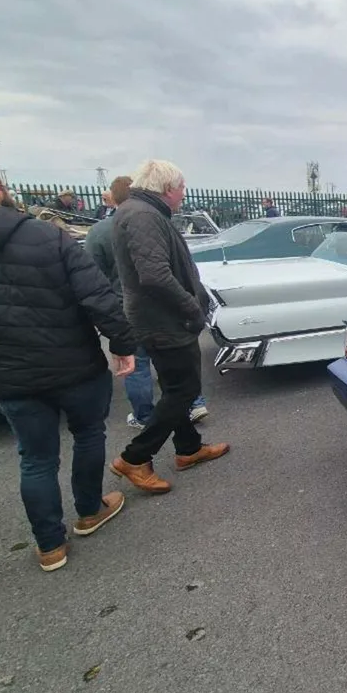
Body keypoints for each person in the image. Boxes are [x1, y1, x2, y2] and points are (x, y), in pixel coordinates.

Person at [0, 154, 136, 572]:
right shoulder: (47, 237)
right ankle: (89, 510)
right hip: (75, 365)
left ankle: (50, 545)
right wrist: (123, 343)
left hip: (9, 374)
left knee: (35, 457)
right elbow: (96, 296)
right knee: (88, 434)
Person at [109, 159, 228, 494]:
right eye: (182, 187)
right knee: (184, 390)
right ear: (167, 188)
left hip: (158, 318)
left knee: (177, 385)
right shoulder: (144, 216)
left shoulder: (138, 211)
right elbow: (154, 275)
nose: (183, 194)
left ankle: (188, 449)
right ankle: (135, 457)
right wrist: (192, 306)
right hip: (164, 320)